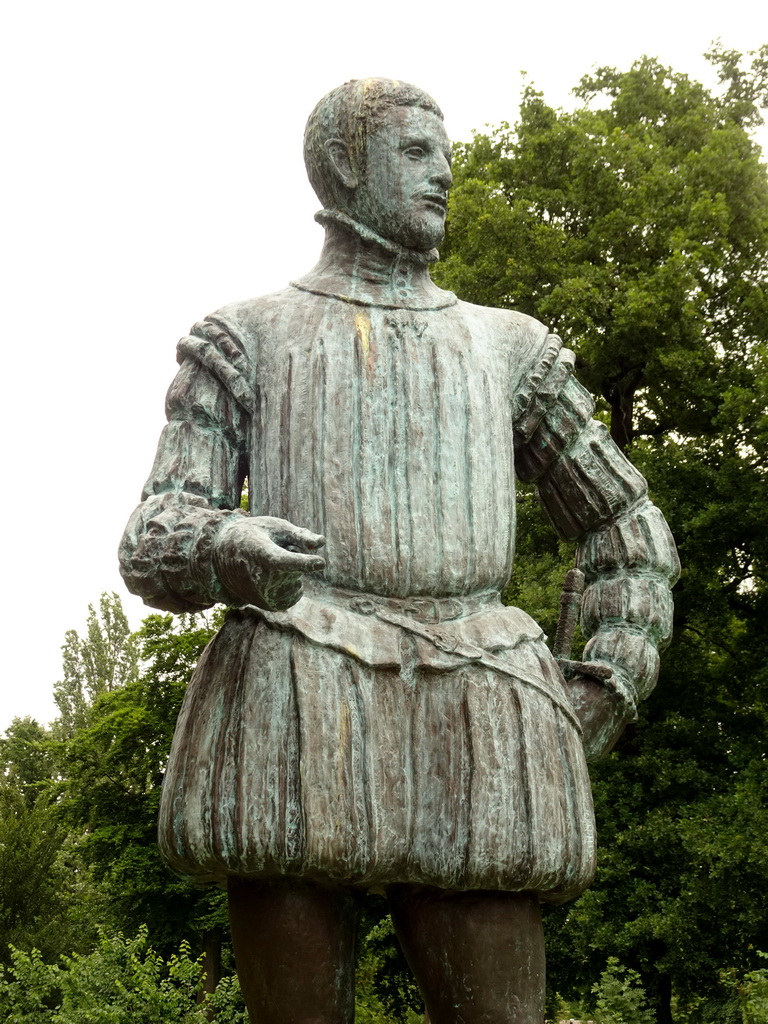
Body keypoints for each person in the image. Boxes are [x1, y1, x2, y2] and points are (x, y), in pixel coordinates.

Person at [120, 78, 679, 1024]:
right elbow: (154, 535)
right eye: (418, 152)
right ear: (345, 166)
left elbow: (627, 526)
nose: (446, 173)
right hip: (296, 699)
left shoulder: (510, 349)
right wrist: (225, 542)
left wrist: (610, 679)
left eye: (443, 151)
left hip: (479, 703)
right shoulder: (245, 338)